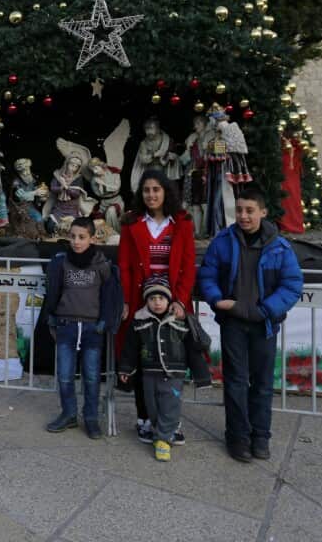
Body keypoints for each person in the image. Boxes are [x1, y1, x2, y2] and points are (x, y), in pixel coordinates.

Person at [198, 184, 303, 463]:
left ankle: (260, 437)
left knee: (262, 384)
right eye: (240, 210)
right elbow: (207, 275)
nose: (243, 216)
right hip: (233, 322)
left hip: (264, 325)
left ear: (263, 212)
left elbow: (292, 286)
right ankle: (238, 437)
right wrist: (217, 299)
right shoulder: (223, 241)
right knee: (235, 382)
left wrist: (266, 310)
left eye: (250, 211)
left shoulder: (280, 247)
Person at [116, 169, 196, 445]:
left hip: (172, 304)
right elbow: (124, 266)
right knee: (142, 361)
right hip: (141, 304)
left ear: (166, 192)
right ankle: (145, 420)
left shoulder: (183, 222)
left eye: (156, 190)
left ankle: (170, 422)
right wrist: (127, 301)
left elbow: (187, 265)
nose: (151, 195)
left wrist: (181, 301)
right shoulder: (131, 222)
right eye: (146, 190)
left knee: (171, 365)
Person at [42, 217, 123, 440]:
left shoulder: (101, 265)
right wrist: (52, 318)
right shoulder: (61, 263)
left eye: (82, 237)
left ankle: (91, 418)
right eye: (73, 236)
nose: (76, 242)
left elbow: (109, 295)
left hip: (91, 328)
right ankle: (68, 413)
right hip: (67, 326)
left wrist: (104, 321)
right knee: (66, 375)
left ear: (92, 238)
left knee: (91, 376)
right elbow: (53, 292)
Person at [117, 276, 205, 461]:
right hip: (149, 373)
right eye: (152, 299)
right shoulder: (139, 321)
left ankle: (163, 440)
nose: (157, 303)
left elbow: (193, 349)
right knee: (153, 408)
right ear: (146, 300)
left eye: (161, 299)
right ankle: (165, 429)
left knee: (170, 405)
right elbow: (130, 349)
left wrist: (201, 375)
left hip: (174, 373)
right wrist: (126, 369)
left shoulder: (179, 321)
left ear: (169, 300)